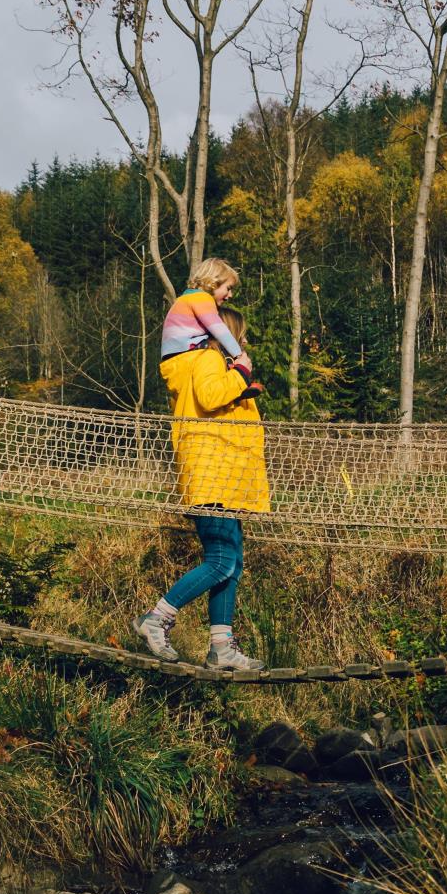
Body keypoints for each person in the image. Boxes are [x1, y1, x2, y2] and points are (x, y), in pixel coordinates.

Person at [136, 271, 270, 671]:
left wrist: (243, 389)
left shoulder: (211, 363)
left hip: (225, 477)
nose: (243, 343)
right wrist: (241, 373)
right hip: (211, 474)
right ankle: (155, 619)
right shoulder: (210, 359)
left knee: (232, 562)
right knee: (220, 562)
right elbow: (211, 397)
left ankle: (221, 647)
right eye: (240, 336)